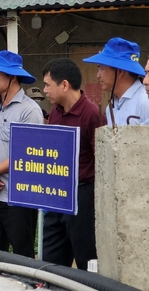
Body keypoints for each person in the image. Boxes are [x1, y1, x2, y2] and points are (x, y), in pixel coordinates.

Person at [0, 50, 43, 258]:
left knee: (22, 253)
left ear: (12, 77)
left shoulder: (29, 110)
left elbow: (28, 153)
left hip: (17, 196)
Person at [41, 58, 102, 271]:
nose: (44, 90)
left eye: (48, 84)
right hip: (56, 194)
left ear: (64, 85)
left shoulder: (92, 114)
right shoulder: (56, 111)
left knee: (85, 257)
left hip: (82, 196)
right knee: (51, 260)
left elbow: (100, 161)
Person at [82, 37, 149, 126]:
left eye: (102, 68)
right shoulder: (111, 107)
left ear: (120, 72)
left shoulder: (145, 101)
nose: (98, 75)